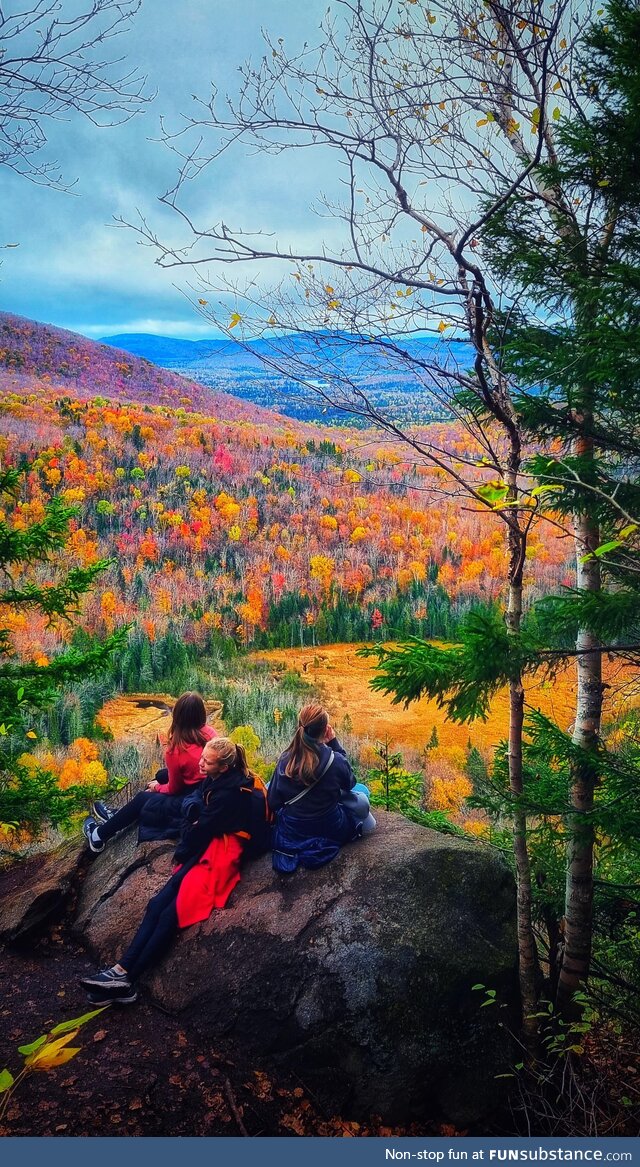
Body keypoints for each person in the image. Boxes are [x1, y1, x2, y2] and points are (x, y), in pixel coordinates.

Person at [80, 738, 262, 1003]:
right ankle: (120, 971)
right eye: (203, 758)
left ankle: (128, 982)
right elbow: (197, 801)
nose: (200, 763)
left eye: (206, 761)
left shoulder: (228, 794)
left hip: (219, 858)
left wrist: (188, 828)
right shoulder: (219, 779)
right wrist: (192, 811)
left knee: (171, 914)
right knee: (156, 905)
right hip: (208, 847)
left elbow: (197, 831)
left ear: (223, 767)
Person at [83, 691, 217, 854]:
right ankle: (119, 815)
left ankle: (97, 836)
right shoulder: (210, 734)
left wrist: (156, 788)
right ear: (201, 714)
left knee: (144, 797)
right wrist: (161, 782)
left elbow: (174, 789)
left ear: (177, 717)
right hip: (209, 787)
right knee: (161, 775)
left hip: (193, 799)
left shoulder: (175, 750)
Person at [268, 701, 376, 873]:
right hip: (332, 827)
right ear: (326, 729)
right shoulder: (335, 760)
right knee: (362, 792)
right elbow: (350, 783)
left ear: (300, 727)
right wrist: (334, 743)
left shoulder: (285, 760)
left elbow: (273, 801)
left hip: (294, 831)